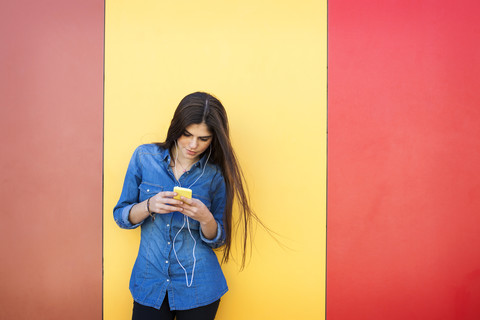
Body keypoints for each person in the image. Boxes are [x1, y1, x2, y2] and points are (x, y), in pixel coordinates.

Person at [114, 92, 258, 320]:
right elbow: (121, 215)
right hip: (149, 282)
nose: (193, 145)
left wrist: (205, 218)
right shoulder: (144, 157)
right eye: (187, 134)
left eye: (204, 138)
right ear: (176, 128)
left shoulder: (214, 174)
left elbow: (219, 238)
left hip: (199, 287)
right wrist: (149, 205)